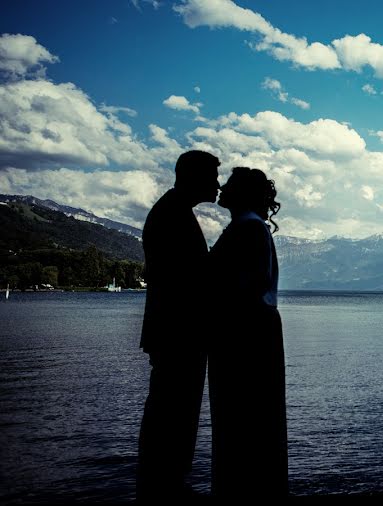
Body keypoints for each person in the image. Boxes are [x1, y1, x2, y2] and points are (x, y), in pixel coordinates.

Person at [137, 150, 220, 500]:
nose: (217, 184)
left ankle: (164, 481)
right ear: (194, 177)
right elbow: (186, 281)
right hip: (178, 334)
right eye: (213, 177)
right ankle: (164, 486)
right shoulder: (173, 216)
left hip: (174, 332)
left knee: (171, 410)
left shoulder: (172, 211)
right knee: (172, 411)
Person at [208, 167, 288, 499]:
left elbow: (249, 284)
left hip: (246, 334)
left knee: (242, 415)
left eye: (229, 184)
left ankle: (244, 490)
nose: (222, 188)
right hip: (253, 330)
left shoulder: (248, 230)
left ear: (242, 192)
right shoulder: (250, 227)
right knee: (253, 416)